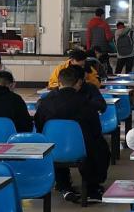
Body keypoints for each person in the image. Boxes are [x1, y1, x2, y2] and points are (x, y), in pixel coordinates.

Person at [35, 68, 110, 203]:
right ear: (78, 83)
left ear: (59, 82)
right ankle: (92, 187)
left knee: (55, 142)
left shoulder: (45, 102)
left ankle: (64, 185)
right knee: (100, 146)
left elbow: (39, 127)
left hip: (52, 149)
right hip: (81, 149)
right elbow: (96, 130)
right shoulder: (86, 103)